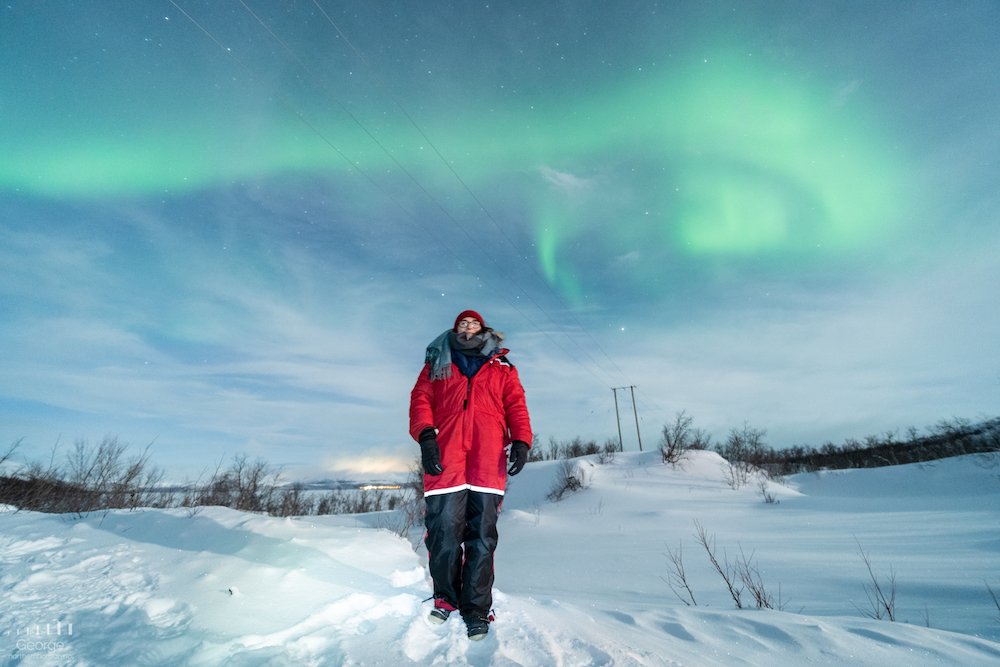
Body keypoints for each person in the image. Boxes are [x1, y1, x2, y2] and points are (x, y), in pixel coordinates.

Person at [409, 309, 533, 640]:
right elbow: (420, 400)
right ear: (454, 329)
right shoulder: (437, 363)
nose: (467, 326)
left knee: (481, 539)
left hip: (486, 460)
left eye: (473, 323)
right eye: (462, 323)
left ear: (483, 328)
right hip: (446, 460)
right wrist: (426, 437)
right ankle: (446, 599)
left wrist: (521, 440)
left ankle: (477, 609)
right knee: (443, 535)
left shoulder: (501, 365)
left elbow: (516, 405)